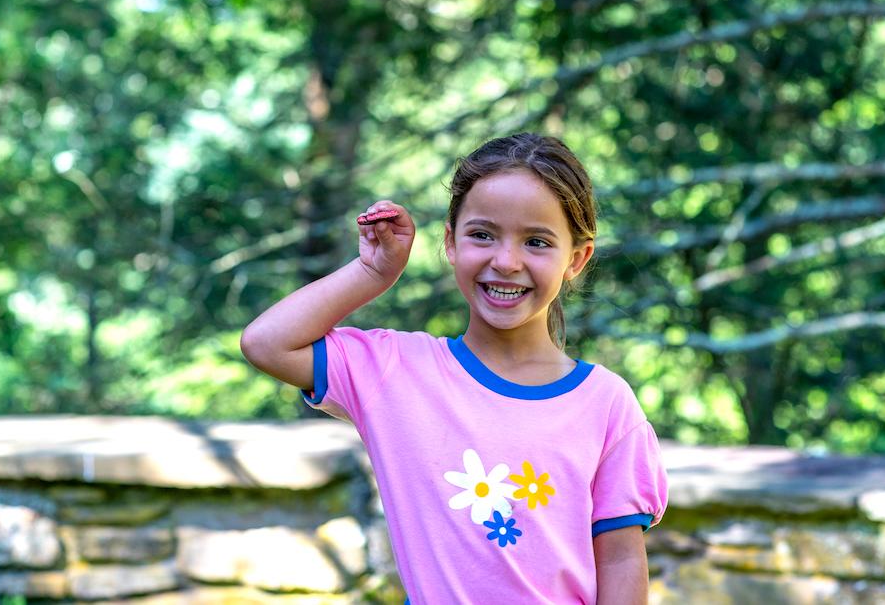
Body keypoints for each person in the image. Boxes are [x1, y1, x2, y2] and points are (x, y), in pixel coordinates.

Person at [241, 132, 668, 604]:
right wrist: (373, 273)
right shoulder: (394, 371)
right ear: (450, 240)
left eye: (537, 242)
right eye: (482, 234)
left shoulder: (606, 404)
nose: (506, 261)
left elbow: (622, 559)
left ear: (577, 258)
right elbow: (266, 343)